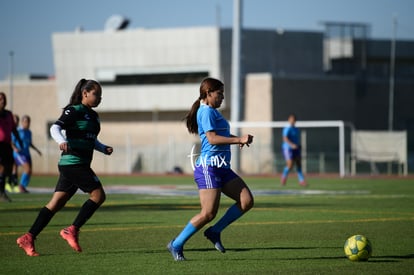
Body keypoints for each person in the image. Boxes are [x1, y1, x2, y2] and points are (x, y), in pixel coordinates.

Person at [16, 79, 113, 256]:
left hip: (78, 164)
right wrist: (61, 141)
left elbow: (91, 139)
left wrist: (103, 148)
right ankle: (72, 230)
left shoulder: (93, 116)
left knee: (55, 203)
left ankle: (28, 237)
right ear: (85, 93)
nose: (99, 98)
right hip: (72, 163)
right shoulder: (73, 110)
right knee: (98, 195)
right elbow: (55, 128)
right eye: (96, 94)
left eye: (101, 95)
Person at [167, 77, 254, 261]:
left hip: (222, 168)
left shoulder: (213, 111)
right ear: (208, 93)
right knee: (208, 213)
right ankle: (176, 244)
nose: (222, 97)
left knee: (246, 201)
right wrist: (238, 140)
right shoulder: (205, 111)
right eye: (219, 93)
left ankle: (214, 232)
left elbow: (220, 135)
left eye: (223, 93)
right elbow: (213, 139)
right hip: (209, 168)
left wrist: (237, 138)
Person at [0, 92, 23, 202]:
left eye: (4, 99)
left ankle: (2, 191)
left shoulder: (9, 114)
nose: (2, 101)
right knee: (2, 167)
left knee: (9, 168)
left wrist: (19, 141)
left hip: (7, 145)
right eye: (0, 99)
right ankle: (2, 192)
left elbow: (14, 129)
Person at [10, 115, 42, 193]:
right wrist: (15, 148)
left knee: (29, 171)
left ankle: (23, 186)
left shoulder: (29, 132)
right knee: (27, 169)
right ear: (22, 122)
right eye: (26, 122)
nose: (27, 123)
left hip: (27, 154)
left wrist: (37, 150)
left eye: (28, 122)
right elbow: (11, 141)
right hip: (19, 154)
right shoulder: (17, 131)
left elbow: (30, 143)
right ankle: (20, 186)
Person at [280, 114, 307, 186]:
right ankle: (284, 177)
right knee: (290, 165)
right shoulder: (287, 128)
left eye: (294, 119)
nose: (292, 121)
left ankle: (302, 181)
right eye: (291, 119)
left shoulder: (296, 129)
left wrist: (298, 145)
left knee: (299, 164)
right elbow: (285, 138)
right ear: (289, 120)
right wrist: (292, 145)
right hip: (287, 148)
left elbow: (296, 139)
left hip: (295, 148)